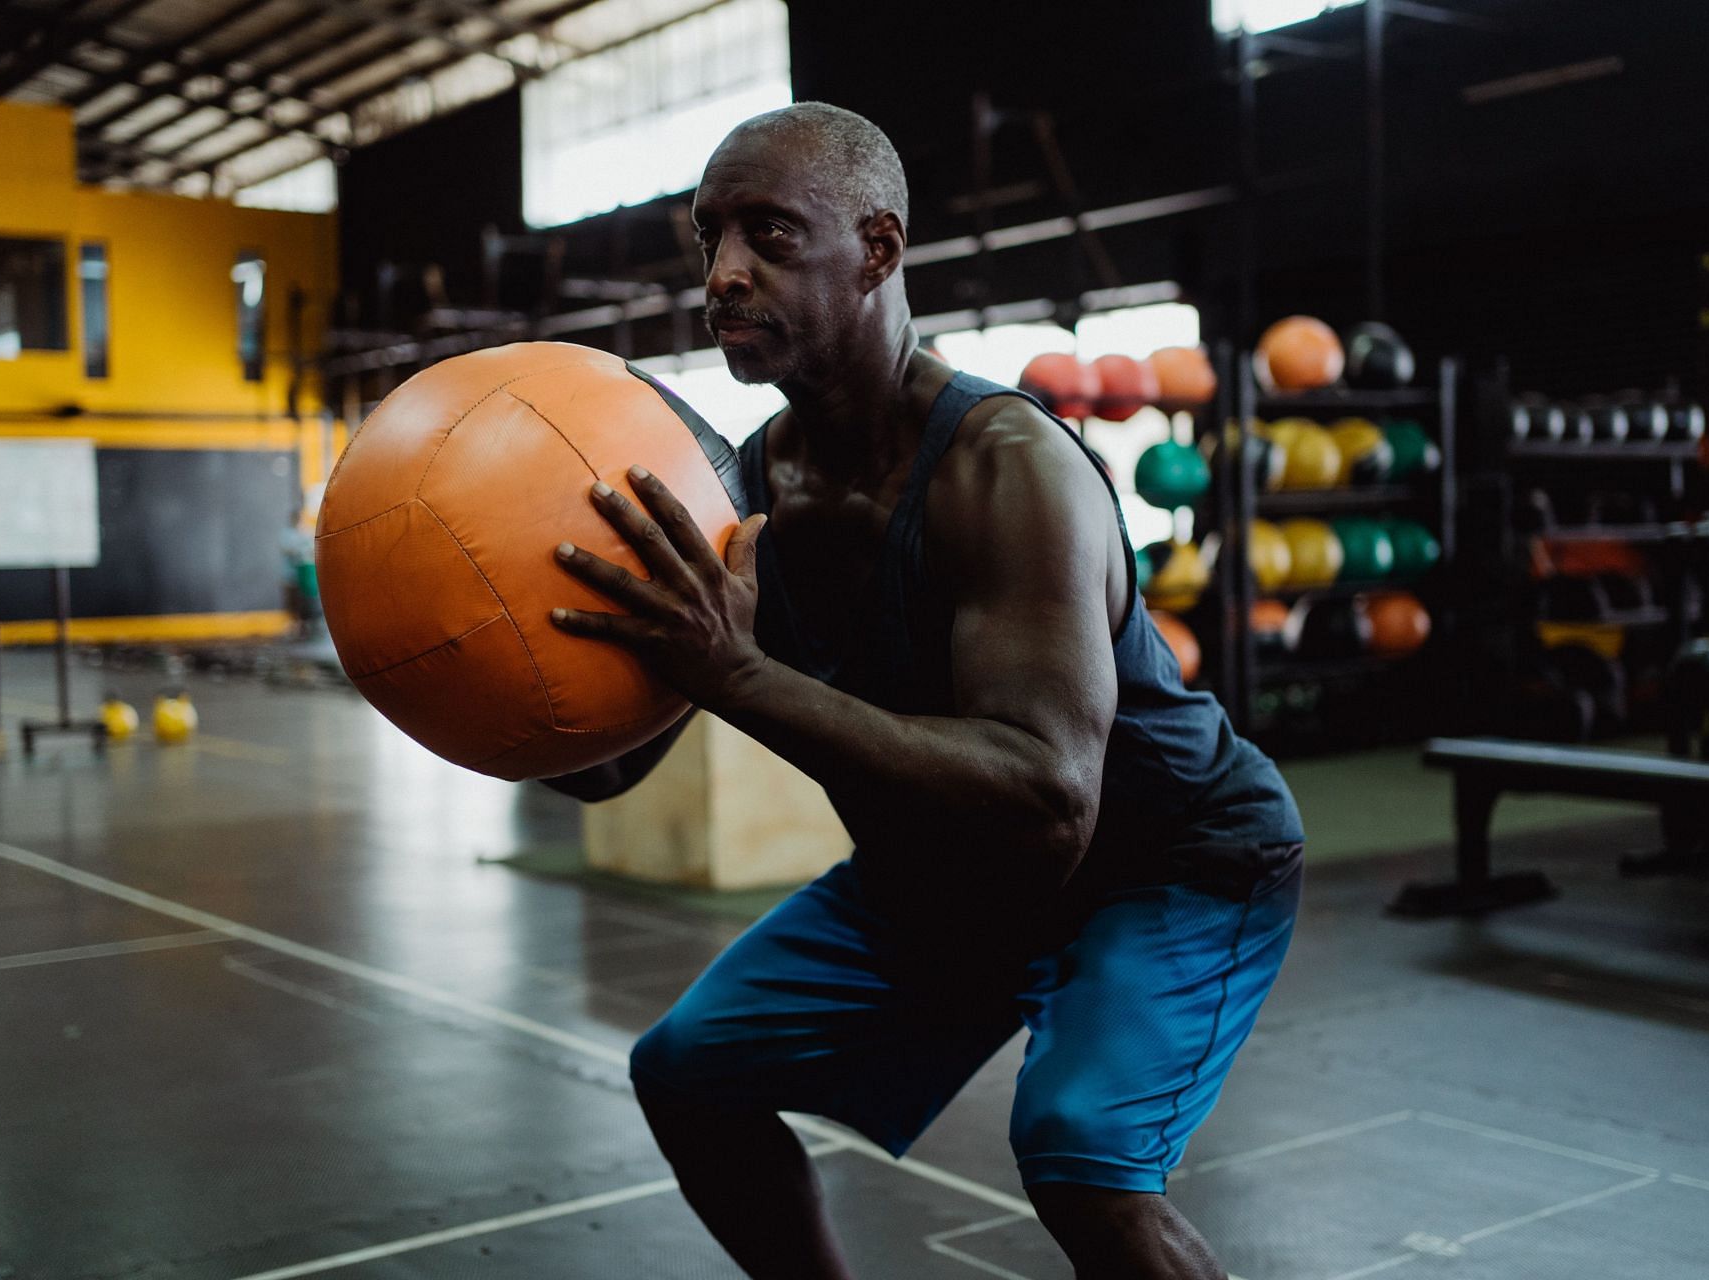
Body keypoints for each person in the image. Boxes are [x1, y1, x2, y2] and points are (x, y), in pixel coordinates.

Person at [544, 102, 1304, 1280]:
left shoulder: (1013, 469)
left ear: (879, 250)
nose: (724, 275)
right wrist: (477, 669)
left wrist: (736, 674)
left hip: (1164, 862)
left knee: (1080, 1152)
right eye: (709, 241)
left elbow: (1048, 797)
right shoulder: (746, 494)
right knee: (688, 1070)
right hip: (949, 874)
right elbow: (608, 765)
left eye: (770, 235)